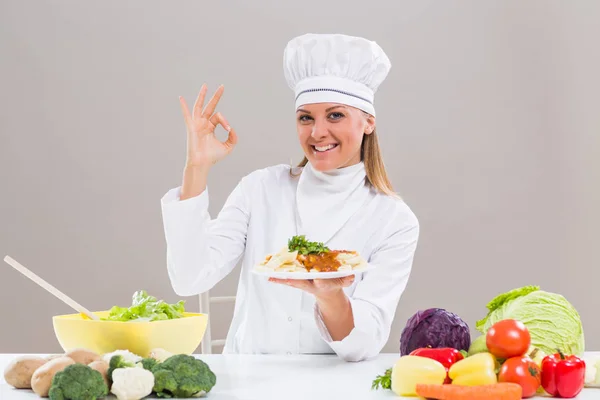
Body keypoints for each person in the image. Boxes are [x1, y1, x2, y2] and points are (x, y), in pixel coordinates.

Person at [160, 33, 420, 362]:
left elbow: (362, 345)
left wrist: (329, 295)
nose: (317, 132)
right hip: (246, 381)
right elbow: (189, 278)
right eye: (305, 117)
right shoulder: (261, 188)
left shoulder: (394, 220)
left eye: (335, 115)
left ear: (368, 121)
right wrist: (196, 166)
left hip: (332, 386)